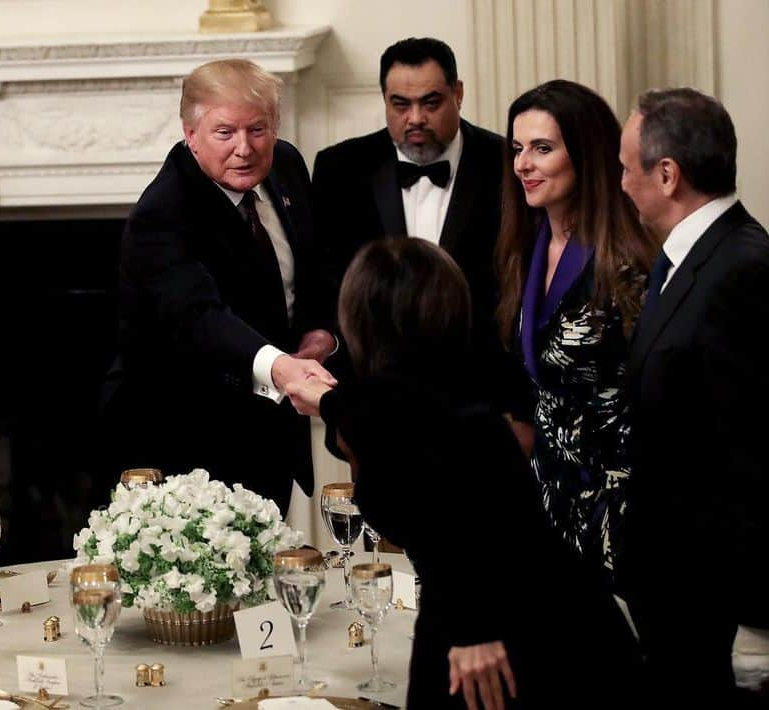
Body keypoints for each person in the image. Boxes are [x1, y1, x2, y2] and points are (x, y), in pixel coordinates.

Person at [286, 238, 641, 710]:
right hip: (478, 613)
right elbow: (377, 411)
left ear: (360, 321)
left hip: (514, 626)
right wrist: (325, 399)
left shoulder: (459, 418)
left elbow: (469, 525)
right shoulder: (408, 398)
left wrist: (474, 633)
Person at [100, 59, 336, 513]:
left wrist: (323, 331)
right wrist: (282, 367)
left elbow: (313, 266)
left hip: (267, 431)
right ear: (191, 134)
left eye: (258, 130)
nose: (244, 149)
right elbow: (199, 316)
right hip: (179, 440)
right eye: (225, 133)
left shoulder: (286, 164)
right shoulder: (162, 212)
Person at [619, 88, 769, 705]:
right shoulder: (686, 256)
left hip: (710, 599)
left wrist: (750, 621)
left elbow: (752, 452)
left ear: (667, 174)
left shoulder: (743, 270)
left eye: (627, 166)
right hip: (674, 586)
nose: (621, 181)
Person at [311, 37, 532, 439]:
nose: (415, 118)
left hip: (483, 406)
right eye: (400, 104)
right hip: (374, 408)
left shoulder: (506, 165)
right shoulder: (339, 169)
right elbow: (327, 283)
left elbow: (517, 287)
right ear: (384, 99)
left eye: (431, 103)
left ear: (458, 94)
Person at [494, 80, 656, 582]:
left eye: (543, 149)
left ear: (585, 153)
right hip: (547, 496)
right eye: (517, 149)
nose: (523, 164)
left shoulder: (630, 259)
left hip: (623, 503)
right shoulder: (527, 246)